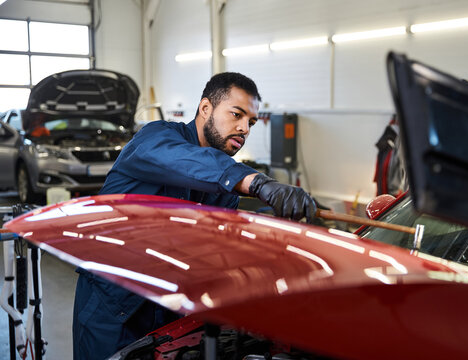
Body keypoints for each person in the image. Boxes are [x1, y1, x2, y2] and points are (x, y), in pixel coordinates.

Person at [72, 72, 317, 359]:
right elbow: (187, 162)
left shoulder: (224, 188)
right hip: (112, 306)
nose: (244, 128)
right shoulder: (155, 139)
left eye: (250, 122)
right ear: (205, 109)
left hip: (168, 310)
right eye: (236, 115)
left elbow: (217, 248)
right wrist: (258, 183)